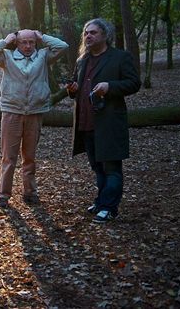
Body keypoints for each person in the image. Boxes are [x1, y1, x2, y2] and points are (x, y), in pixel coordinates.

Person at [0, 29, 68, 208]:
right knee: (9, 157)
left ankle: (30, 193)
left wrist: (42, 36)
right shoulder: (6, 56)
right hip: (12, 112)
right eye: (23, 42)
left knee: (29, 157)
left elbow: (63, 46)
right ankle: (4, 195)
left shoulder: (44, 56)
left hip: (35, 112)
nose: (28, 46)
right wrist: (6, 41)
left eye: (31, 42)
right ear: (17, 43)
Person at [66, 18, 140, 223]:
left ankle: (109, 208)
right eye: (86, 33)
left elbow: (134, 83)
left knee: (112, 168)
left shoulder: (120, 57)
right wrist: (73, 90)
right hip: (87, 123)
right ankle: (101, 202)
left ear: (105, 35)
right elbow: (77, 89)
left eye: (93, 32)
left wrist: (110, 86)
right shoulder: (82, 60)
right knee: (97, 167)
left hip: (109, 123)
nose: (88, 36)